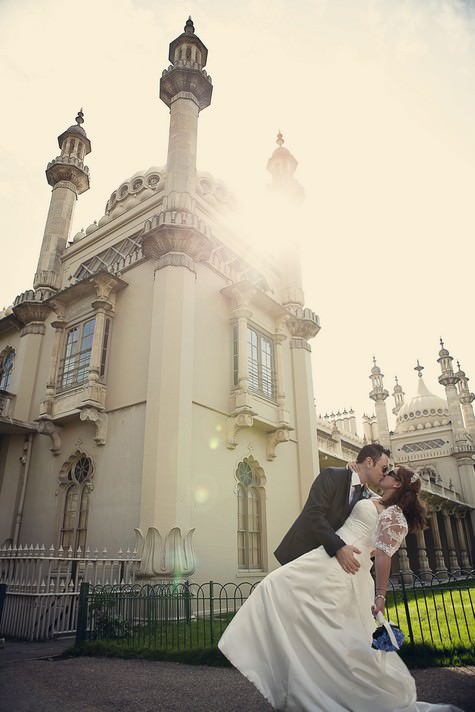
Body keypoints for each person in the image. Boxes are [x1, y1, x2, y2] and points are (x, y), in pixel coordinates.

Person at [218, 465, 462, 712]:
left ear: (397, 484)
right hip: (328, 556)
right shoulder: (373, 499)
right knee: (282, 594)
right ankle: (306, 681)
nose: (386, 473)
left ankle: (335, 691)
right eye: (385, 468)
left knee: (327, 628)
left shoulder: (394, 515)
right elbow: (352, 500)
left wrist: (380, 594)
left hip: (347, 568)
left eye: (390, 472)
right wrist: (353, 473)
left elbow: (384, 556)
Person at [274, 443, 391, 575]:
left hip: (328, 564)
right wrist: (339, 548)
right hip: (300, 553)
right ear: (369, 462)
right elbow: (314, 514)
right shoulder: (332, 475)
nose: (385, 474)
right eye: (384, 468)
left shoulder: (366, 494)